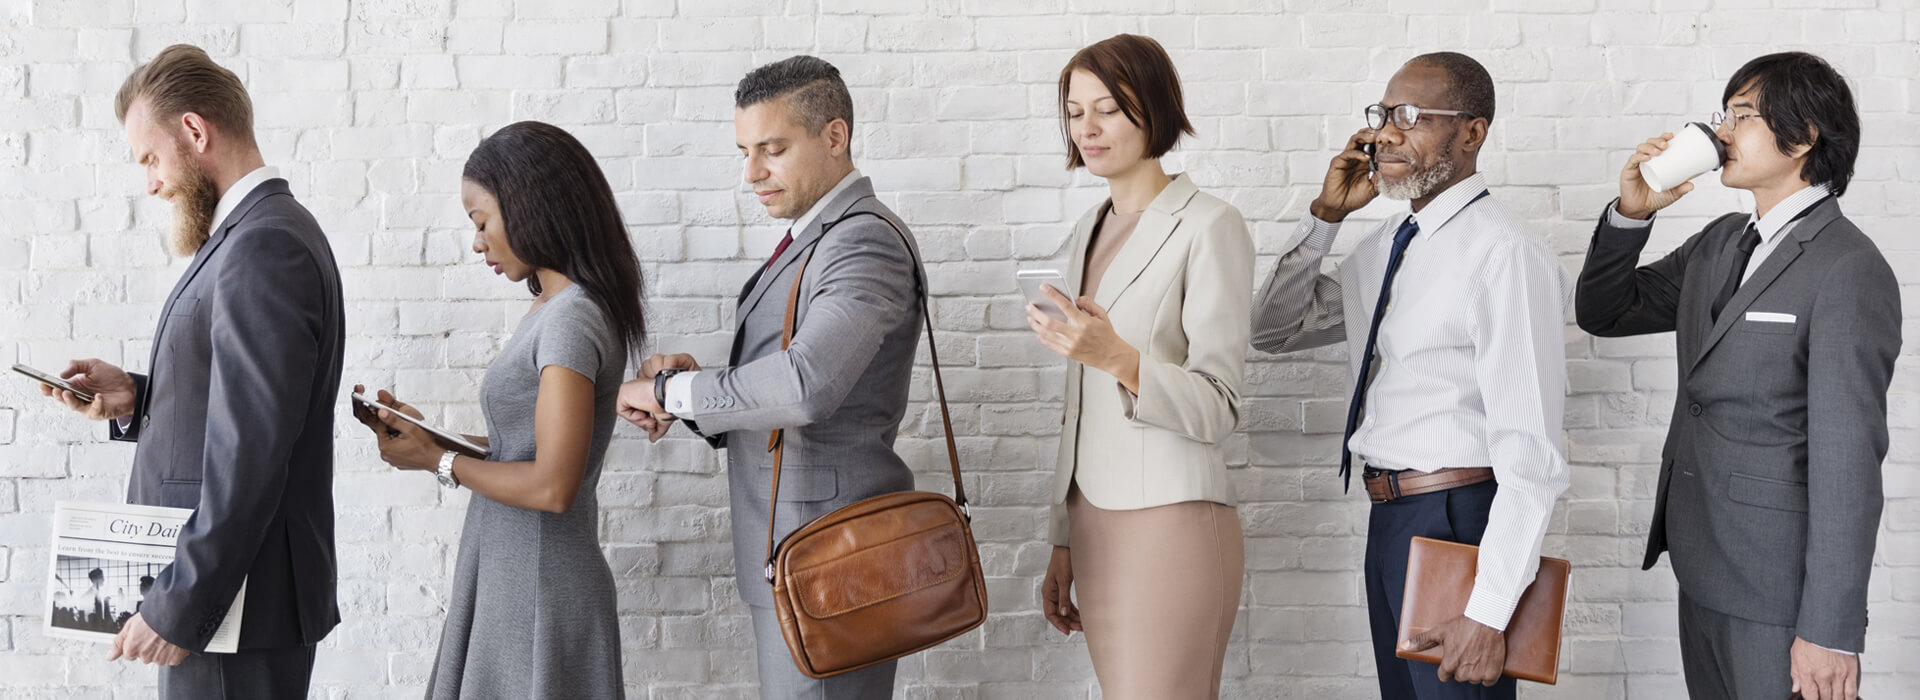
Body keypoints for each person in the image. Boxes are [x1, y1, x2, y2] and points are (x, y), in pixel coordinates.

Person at [1575, 52, 1898, 700]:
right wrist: (1632, 214)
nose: (1721, 131)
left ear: (1802, 137)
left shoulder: (1848, 267)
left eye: (1743, 116)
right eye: (1724, 114)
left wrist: (1830, 631)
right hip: (1701, 565)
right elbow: (1604, 312)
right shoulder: (1721, 241)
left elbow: (1848, 464)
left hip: (1780, 591)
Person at [1249, 52, 1570, 699]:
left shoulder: (1505, 253)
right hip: (1391, 520)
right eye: (1383, 115)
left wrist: (1488, 611)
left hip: (1459, 519)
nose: (1386, 134)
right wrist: (1325, 218)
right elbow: (1271, 330)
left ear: (1472, 132)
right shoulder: (1384, 248)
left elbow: (1531, 450)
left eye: (1411, 116)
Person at [614, 55, 924, 699]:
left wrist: (669, 392)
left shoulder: (862, 242)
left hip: (831, 558)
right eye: (745, 152)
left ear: (834, 136)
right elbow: (787, 378)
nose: (751, 172)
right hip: (797, 550)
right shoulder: (817, 238)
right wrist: (696, 394)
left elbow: (806, 385)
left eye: (772, 150)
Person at [42, 43, 345, 699]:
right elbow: (244, 406)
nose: (150, 183)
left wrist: (181, 604)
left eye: (150, 159)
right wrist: (137, 397)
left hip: (234, 608)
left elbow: (252, 451)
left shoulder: (263, 244)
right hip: (231, 604)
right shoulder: (254, 234)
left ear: (194, 131)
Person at [356, 120, 646, 699]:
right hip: (514, 572)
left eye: (481, 221)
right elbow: (527, 449)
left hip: (538, 583)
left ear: (530, 206)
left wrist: (437, 462)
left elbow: (553, 486)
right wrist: (433, 438)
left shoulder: (571, 319)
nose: (477, 242)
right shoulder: (554, 309)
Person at [1025, 33, 1252, 700]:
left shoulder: (1210, 225)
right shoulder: (1085, 234)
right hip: (1092, 522)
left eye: (1108, 109)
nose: (1087, 128)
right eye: (1075, 112)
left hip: (1171, 519)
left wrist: (1118, 358)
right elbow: (1077, 405)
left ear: (1154, 108)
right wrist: (1062, 536)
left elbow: (1219, 404)